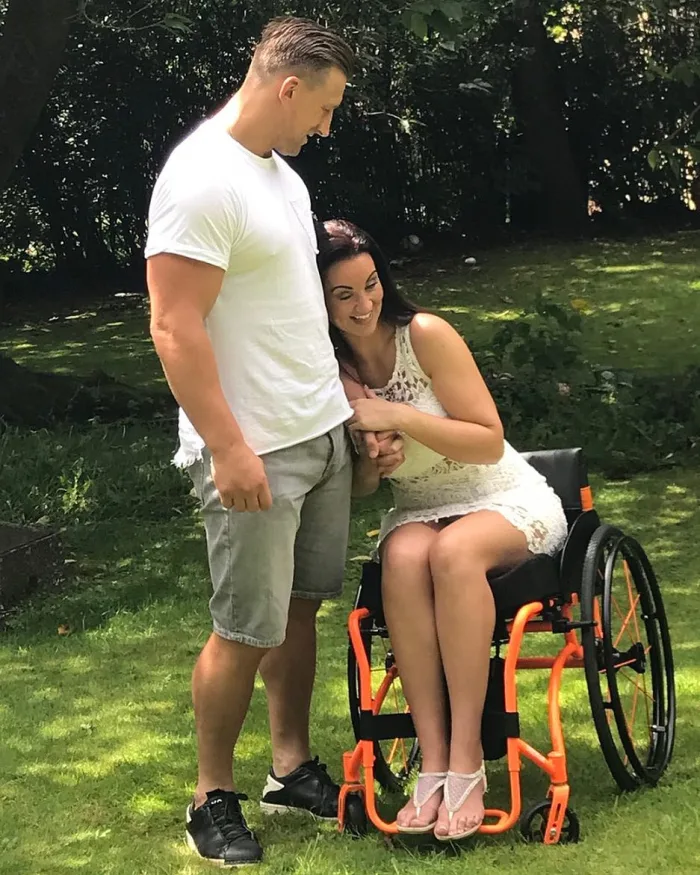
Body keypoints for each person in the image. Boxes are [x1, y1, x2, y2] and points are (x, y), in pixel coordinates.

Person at [145, 19, 402, 867]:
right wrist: (227, 447)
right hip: (254, 449)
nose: (326, 127)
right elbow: (174, 326)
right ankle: (209, 796)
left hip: (319, 432)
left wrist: (351, 408)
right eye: (324, 108)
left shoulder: (281, 176)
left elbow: (293, 313)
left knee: (298, 610)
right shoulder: (201, 180)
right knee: (244, 628)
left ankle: (289, 768)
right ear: (289, 88)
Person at [316, 219, 568, 842]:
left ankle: (467, 759)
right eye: (343, 294)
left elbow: (488, 441)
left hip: (501, 495)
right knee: (401, 559)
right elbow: (362, 488)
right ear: (319, 301)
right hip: (419, 507)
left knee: (454, 554)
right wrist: (374, 465)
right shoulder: (330, 368)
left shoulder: (424, 334)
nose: (363, 304)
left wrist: (401, 416)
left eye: (371, 284)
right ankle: (432, 762)